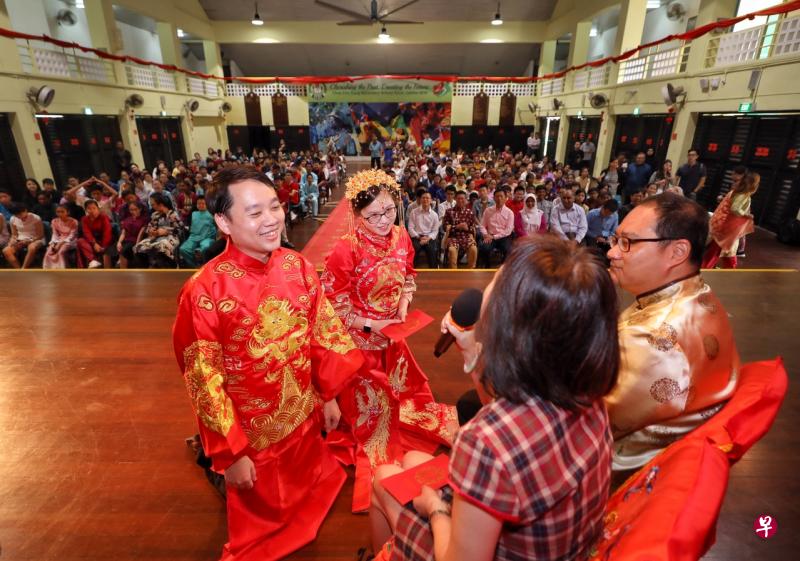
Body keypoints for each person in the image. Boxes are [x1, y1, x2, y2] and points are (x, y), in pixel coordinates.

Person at [370, 236, 619, 561]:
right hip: (562, 545)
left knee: (383, 477)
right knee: (413, 461)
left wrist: (435, 510)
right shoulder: (588, 392)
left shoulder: (485, 442)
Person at [173, 166, 363, 561]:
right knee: (265, 512)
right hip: (251, 436)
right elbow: (204, 381)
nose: (271, 219)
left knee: (314, 482)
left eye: (274, 207)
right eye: (255, 212)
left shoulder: (298, 267)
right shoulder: (204, 291)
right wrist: (231, 455)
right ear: (223, 222)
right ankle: (212, 461)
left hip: (301, 414)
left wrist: (329, 395)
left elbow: (322, 337)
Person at [320, 168, 457, 513]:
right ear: (356, 214)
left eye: (389, 210)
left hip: (392, 336)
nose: (383, 220)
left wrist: (402, 305)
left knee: (402, 400)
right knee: (374, 424)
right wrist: (372, 324)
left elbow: (408, 277)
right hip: (360, 345)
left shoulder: (401, 237)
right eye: (373, 215)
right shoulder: (344, 250)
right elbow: (333, 306)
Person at [605, 192, 740, 473]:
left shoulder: (652, 339)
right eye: (615, 239)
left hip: (620, 468)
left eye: (627, 242)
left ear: (677, 252)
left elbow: (585, 420)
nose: (612, 252)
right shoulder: (699, 293)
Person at [702, 171, 759, 269]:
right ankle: (706, 270)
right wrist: (746, 215)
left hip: (722, 226)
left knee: (724, 251)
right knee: (717, 252)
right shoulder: (743, 194)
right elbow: (735, 209)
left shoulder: (735, 192)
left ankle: (728, 269)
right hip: (726, 229)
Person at [134, 192, 182, 268]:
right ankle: (145, 271)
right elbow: (149, 228)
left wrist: (166, 231)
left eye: (153, 204)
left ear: (160, 204)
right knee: (139, 247)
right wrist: (151, 230)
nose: (152, 206)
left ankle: (170, 269)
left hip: (171, 237)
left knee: (161, 246)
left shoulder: (173, 214)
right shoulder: (154, 215)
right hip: (156, 237)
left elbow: (179, 229)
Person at [477, 189, 514, 267]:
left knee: (508, 249)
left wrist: (494, 237)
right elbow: (482, 225)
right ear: (494, 198)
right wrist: (485, 234)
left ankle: (503, 266)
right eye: (497, 196)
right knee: (484, 248)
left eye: (501, 196)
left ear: (506, 198)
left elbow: (508, 230)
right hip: (490, 236)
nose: (499, 198)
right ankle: (487, 266)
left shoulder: (509, 213)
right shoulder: (488, 210)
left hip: (504, 237)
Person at [443, 190, 478, 269]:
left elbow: (473, 228)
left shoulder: (470, 212)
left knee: (474, 249)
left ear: (466, 200)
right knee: (452, 250)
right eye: (458, 198)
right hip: (453, 237)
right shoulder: (449, 211)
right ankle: (454, 273)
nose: (460, 200)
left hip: (467, 237)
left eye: (462, 199)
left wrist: (467, 228)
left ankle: (470, 271)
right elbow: (445, 227)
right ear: (455, 199)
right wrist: (457, 227)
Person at [179, 197, 217, 268]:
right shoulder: (193, 214)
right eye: (199, 203)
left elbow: (216, 227)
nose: (201, 205)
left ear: (207, 204)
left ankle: (201, 258)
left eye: (203, 203)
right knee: (183, 249)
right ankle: (195, 266)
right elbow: (188, 225)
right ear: (196, 204)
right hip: (193, 237)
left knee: (205, 246)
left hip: (207, 237)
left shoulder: (212, 214)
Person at [2, 203, 44, 269]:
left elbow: (40, 235)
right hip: (20, 239)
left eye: (20, 214)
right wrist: (12, 240)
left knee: (32, 248)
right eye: (16, 215)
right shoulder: (13, 219)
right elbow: (14, 234)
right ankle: (18, 269)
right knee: (6, 250)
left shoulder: (35, 218)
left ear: (25, 210)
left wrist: (30, 240)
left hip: (35, 239)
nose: (19, 216)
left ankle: (24, 268)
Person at [407, 191, 440, 269]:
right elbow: (410, 228)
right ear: (420, 199)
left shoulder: (434, 215)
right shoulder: (414, 212)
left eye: (427, 198)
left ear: (431, 200)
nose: (425, 200)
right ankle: (411, 270)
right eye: (423, 198)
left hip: (429, 237)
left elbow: (435, 230)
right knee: (414, 249)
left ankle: (433, 271)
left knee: (432, 250)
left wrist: (428, 238)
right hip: (417, 237)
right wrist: (419, 237)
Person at [76, 200, 112, 269]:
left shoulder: (103, 217)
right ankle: (93, 260)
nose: (92, 210)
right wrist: (94, 243)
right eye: (89, 208)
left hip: (103, 241)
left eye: (94, 208)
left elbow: (107, 232)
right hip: (92, 241)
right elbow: (87, 233)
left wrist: (103, 246)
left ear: (98, 208)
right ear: (86, 210)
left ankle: (95, 261)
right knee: (80, 241)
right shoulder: (84, 219)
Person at [43, 205, 78, 269]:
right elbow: (55, 234)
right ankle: (50, 269)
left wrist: (60, 244)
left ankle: (63, 268)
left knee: (61, 251)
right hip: (59, 239)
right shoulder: (54, 221)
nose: (60, 214)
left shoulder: (74, 221)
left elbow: (72, 235)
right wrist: (54, 243)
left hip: (70, 240)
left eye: (62, 212)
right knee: (49, 251)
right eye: (58, 212)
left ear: (67, 212)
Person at [116, 201, 148, 269]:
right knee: (119, 247)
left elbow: (141, 233)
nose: (133, 211)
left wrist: (137, 244)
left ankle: (123, 266)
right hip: (126, 240)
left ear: (140, 209)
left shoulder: (144, 219)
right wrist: (119, 242)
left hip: (135, 240)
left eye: (135, 209)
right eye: (131, 210)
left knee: (125, 249)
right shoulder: (127, 219)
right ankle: (122, 270)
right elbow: (123, 233)